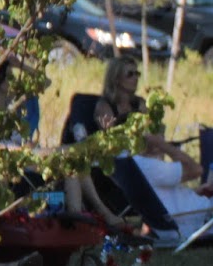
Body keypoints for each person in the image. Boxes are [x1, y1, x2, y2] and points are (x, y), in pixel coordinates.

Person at [71, 56, 197, 229]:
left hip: (144, 155)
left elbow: (152, 134)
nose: (136, 77)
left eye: (137, 73)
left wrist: (152, 143)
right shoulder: (104, 106)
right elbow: (111, 142)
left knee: (157, 152)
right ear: (116, 78)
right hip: (120, 163)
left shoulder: (140, 103)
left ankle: (169, 208)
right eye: (130, 74)